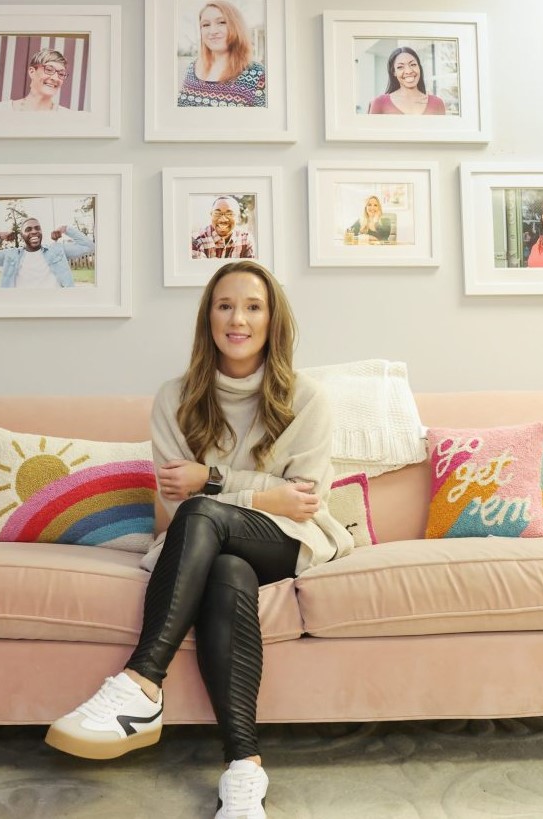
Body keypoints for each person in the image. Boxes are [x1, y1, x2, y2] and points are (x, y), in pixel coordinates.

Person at [45, 260, 353, 818]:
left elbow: (302, 501)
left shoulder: (308, 398)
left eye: (253, 307)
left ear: (273, 320)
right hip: (206, 542)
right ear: (208, 317)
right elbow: (175, 506)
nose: (238, 319)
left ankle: (142, 682)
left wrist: (212, 479)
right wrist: (265, 492)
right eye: (225, 306)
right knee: (225, 570)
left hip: (286, 539)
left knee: (205, 514)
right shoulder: (176, 397)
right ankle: (244, 768)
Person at [178, 2, 266, 108]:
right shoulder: (191, 68)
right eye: (206, 25)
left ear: (237, 26)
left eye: (222, 22)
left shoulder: (258, 74)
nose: (213, 31)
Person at [0, 217, 95, 288]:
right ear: (21, 235)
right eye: (28, 229)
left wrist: (64, 228)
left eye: (37, 228)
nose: (34, 231)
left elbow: (88, 247)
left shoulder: (56, 250)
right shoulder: (10, 255)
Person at [366, 47, 447, 116]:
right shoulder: (379, 103)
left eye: (413, 64)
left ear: (419, 67)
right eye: (400, 67)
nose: (408, 71)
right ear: (394, 72)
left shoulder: (437, 103)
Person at [0, 49, 68, 112]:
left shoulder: (67, 116)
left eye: (61, 74)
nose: (55, 78)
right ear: (32, 72)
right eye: (49, 70)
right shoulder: (2, 110)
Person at [192, 196, 256, 259]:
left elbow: (250, 265)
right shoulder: (196, 240)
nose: (223, 219)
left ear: (238, 217)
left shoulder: (246, 239)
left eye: (229, 214)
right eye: (217, 213)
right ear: (211, 215)